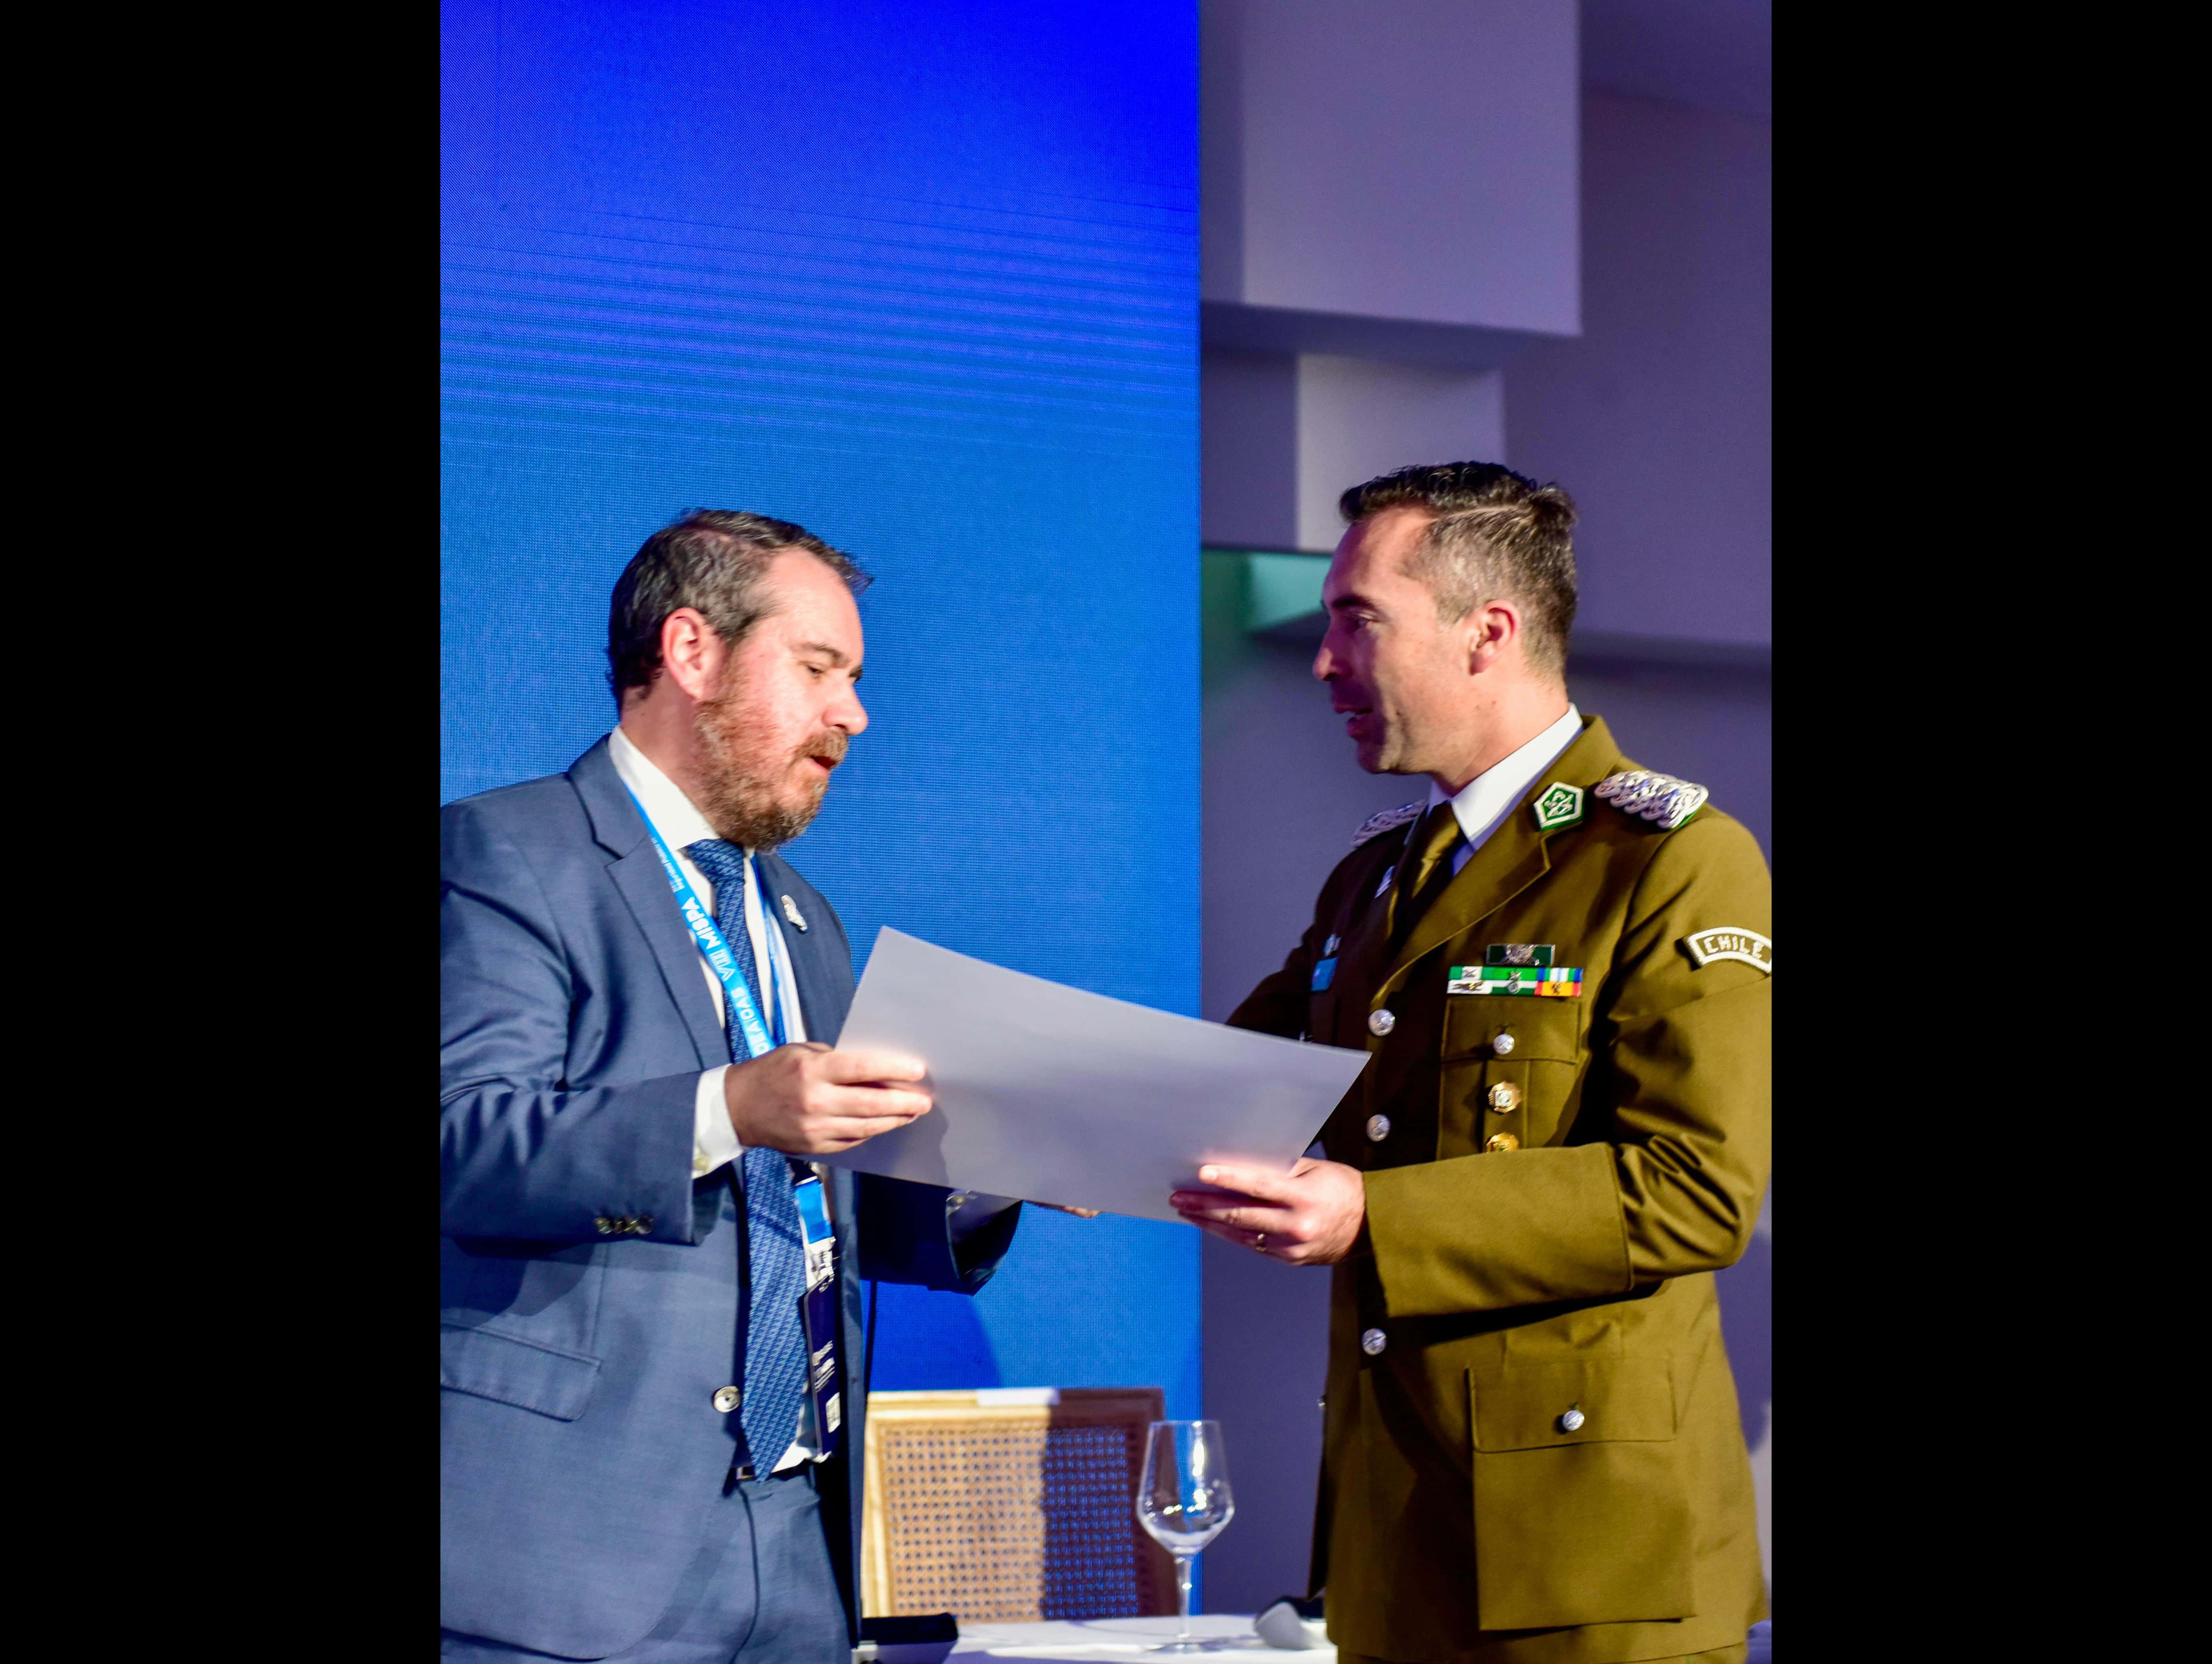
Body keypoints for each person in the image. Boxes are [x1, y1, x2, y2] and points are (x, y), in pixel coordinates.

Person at [1174, 464, 1770, 1664]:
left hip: (1590, 1567)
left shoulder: (1669, 860)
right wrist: (1013, 1116)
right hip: (1398, 1550)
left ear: (1486, 631)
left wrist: (1372, 1215)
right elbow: (1234, 1083)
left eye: (1359, 620)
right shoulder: (1376, 875)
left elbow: (1699, 1191)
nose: (1324, 662)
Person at [442, 510, 1029, 1662]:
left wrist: (989, 1174)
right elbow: (464, 1143)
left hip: (800, 1535)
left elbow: (822, 1201)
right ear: (692, 652)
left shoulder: (803, 916)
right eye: (819, 669)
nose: (852, 715)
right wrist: (727, 1111)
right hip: (569, 1546)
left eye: (855, 680)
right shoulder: (506, 853)